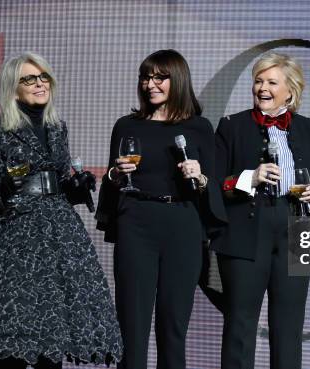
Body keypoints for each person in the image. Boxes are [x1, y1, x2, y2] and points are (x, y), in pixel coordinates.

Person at [0, 52, 122, 369]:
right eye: (29, 78)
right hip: (13, 245)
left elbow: (61, 180)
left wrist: (76, 188)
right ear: (13, 87)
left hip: (58, 240)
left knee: (54, 336)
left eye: (43, 76)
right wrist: (3, 189)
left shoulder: (57, 128)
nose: (39, 83)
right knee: (10, 339)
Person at [95, 49, 226, 369]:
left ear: (177, 80)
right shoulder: (127, 125)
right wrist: (114, 173)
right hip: (136, 223)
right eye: (145, 77)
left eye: (159, 78)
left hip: (182, 224)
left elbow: (212, 184)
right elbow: (113, 182)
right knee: (131, 326)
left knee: (173, 327)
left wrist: (200, 175)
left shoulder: (199, 127)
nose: (149, 84)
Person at [212, 52, 310, 369]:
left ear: (290, 91)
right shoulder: (231, 126)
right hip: (246, 230)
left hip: (297, 229)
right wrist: (251, 177)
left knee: (289, 327)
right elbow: (215, 185)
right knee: (240, 324)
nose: (262, 88)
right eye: (258, 81)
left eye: (271, 82)